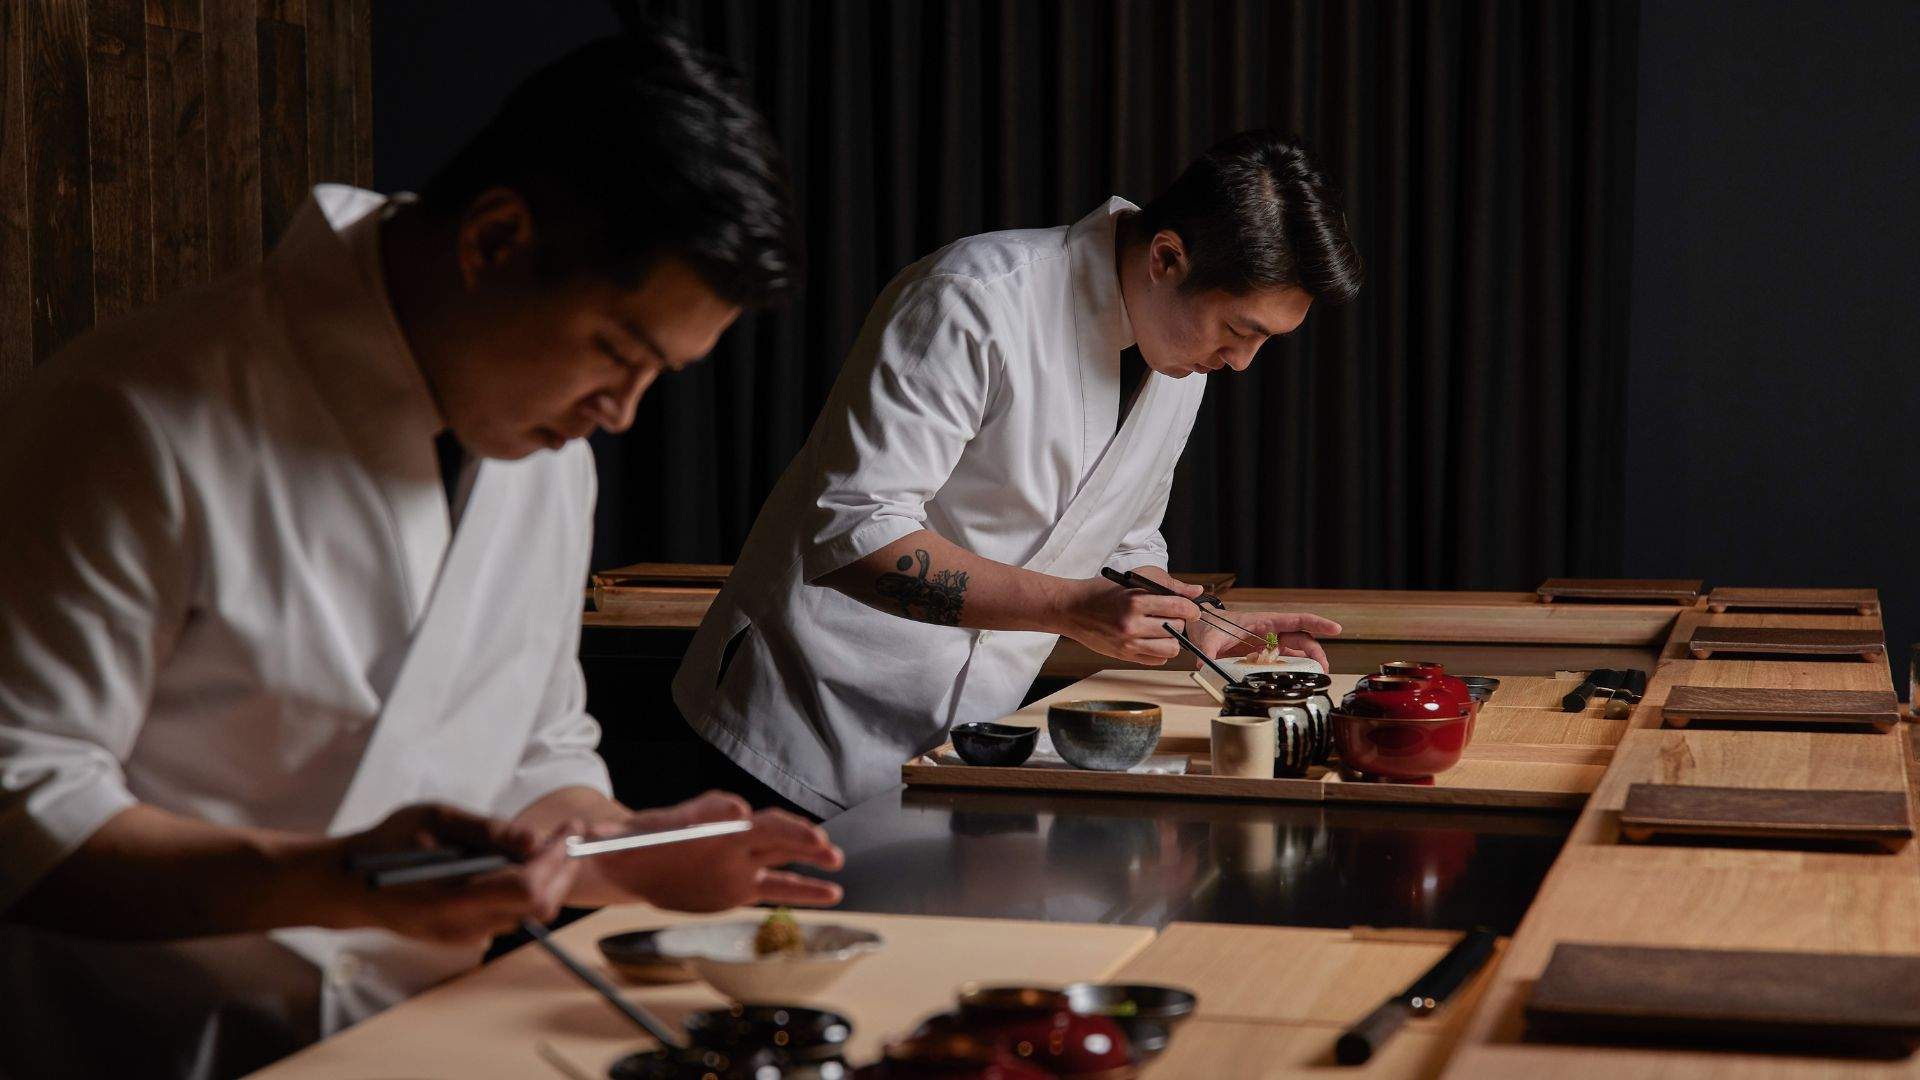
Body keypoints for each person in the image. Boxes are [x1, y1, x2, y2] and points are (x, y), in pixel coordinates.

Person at [0, 28, 841, 1079]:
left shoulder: (545, 449)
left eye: (655, 375)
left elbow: (534, 748)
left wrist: (620, 849)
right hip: (148, 1050)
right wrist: (335, 881)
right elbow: (20, 798)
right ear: (494, 239)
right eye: (618, 353)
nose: (624, 413)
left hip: (423, 1043)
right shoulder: (129, 415)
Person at [674, 130, 1364, 819]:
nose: (1242, 362)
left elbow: (1124, 542)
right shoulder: (974, 299)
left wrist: (1198, 624)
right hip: (796, 725)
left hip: (963, 743)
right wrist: (1068, 609)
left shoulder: (1183, 353)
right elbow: (852, 534)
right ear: (1167, 257)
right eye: (1240, 331)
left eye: (1263, 341)